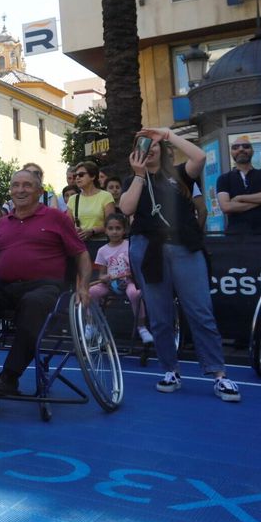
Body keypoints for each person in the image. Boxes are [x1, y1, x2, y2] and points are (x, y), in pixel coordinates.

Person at [122, 127, 242, 402]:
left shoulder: (179, 174)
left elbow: (199, 156)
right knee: (160, 316)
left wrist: (167, 134)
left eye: (154, 145)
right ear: (135, 150)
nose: (150, 148)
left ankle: (218, 374)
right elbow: (127, 209)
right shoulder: (132, 180)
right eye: (144, 144)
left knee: (200, 311)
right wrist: (139, 175)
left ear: (162, 148)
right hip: (148, 250)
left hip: (184, 247)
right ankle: (170, 370)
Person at [0, 167, 92, 397]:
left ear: (40, 191)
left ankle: (10, 376)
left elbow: (81, 254)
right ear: (10, 191)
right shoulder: (3, 224)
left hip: (44, 287)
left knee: (34, 303)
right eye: (16, 185)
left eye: (27, 185)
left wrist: (83, 287)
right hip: (6, 286)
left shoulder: (56, 218)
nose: (21, 190)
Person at [90, 213, 152, 346]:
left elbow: (138, 268)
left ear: (125, 230)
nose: (114, 232)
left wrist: (132, 273)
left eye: (118, 228)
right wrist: (104, 278)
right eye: (111, 228)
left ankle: (141, 327)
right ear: (105, 230)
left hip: (129, 281)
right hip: (110, 284)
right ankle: (93, 324)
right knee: (92, 291)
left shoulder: (130, 245)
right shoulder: (102, 250)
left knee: (134, 293)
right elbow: (101, 275)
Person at [215, 137, 261, 234]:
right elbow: (226, 207)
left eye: (246, 146)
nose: (241, 149)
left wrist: (239, 198)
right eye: (235, 147)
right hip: (236, 238)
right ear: (231, 152)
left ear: (252, 151)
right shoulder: (224, 179)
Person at [67, 160, 114, 240]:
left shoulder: (106, 196)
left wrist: (92, 231)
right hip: (80, 244)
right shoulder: (73, 199)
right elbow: (67, 226)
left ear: (93, 176)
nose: (77, 178)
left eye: (81, 175)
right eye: (76, 176)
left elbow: (111, 224)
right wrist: (74, 230)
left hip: (101, 242)